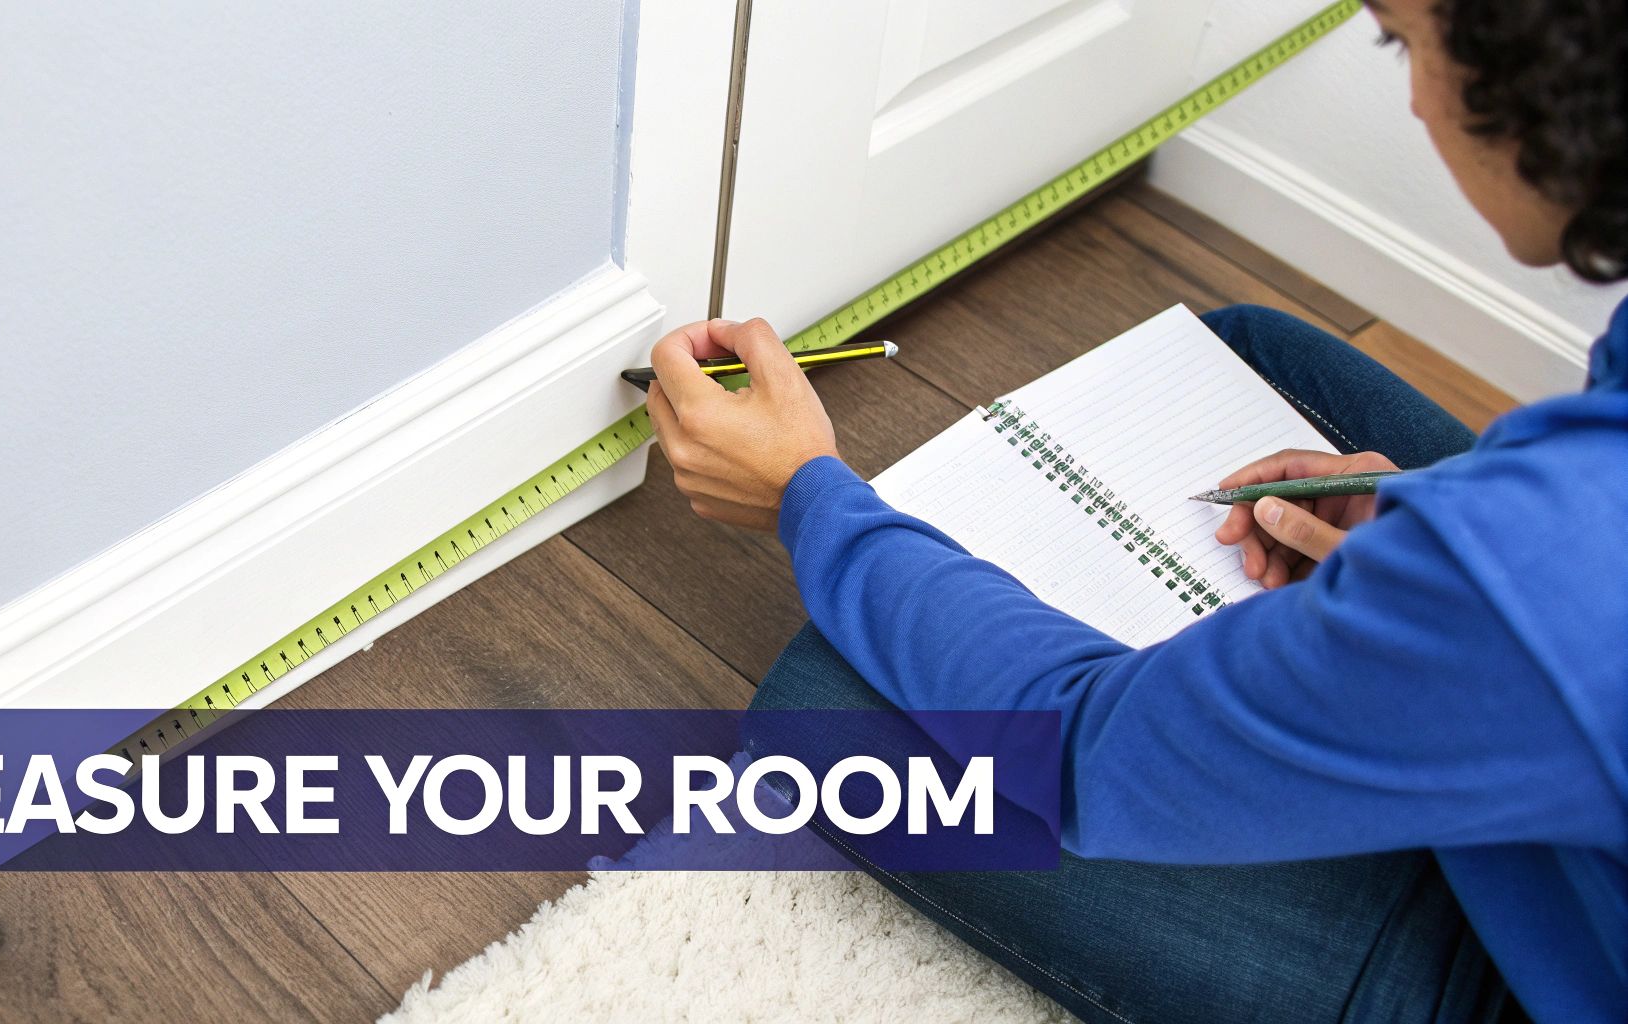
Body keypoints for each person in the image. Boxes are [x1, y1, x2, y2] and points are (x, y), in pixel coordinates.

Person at [644, 1, 1627, 1021]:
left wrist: (809, 498)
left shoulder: (1533, 570)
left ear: (1544, 81)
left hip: (1519, 972)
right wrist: (1430, 534)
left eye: (1398, 39)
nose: (1412, 97)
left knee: (824, 698)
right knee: (1254, 352)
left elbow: (1081, 748)